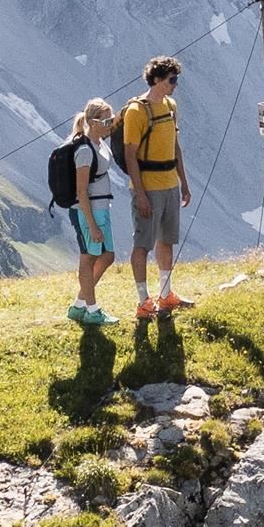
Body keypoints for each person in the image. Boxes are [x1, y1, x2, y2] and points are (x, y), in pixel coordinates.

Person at [118, 53, 190, 317]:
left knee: (166, 241)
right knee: (143, 244)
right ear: (157, 79)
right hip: (148, 186)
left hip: (170, 182)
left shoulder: (170, 106)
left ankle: (166, 294)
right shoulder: (138, 111)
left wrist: (184, 182)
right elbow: (129, 154)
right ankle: (143, 301)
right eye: (172, 79)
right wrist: (140, 194)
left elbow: (175, 146)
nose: (175, 84)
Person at [48, 99, 119, 327]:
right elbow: (81, 189)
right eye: (106, 120)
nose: (110, 124)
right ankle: (92, 310)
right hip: (87, 211)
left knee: (107, 256)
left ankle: (79, 305)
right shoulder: (84, 151)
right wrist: (92, 224)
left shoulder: (100, 144)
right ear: (92, 122)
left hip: (101, 209)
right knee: (88, 258)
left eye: (111, 119)